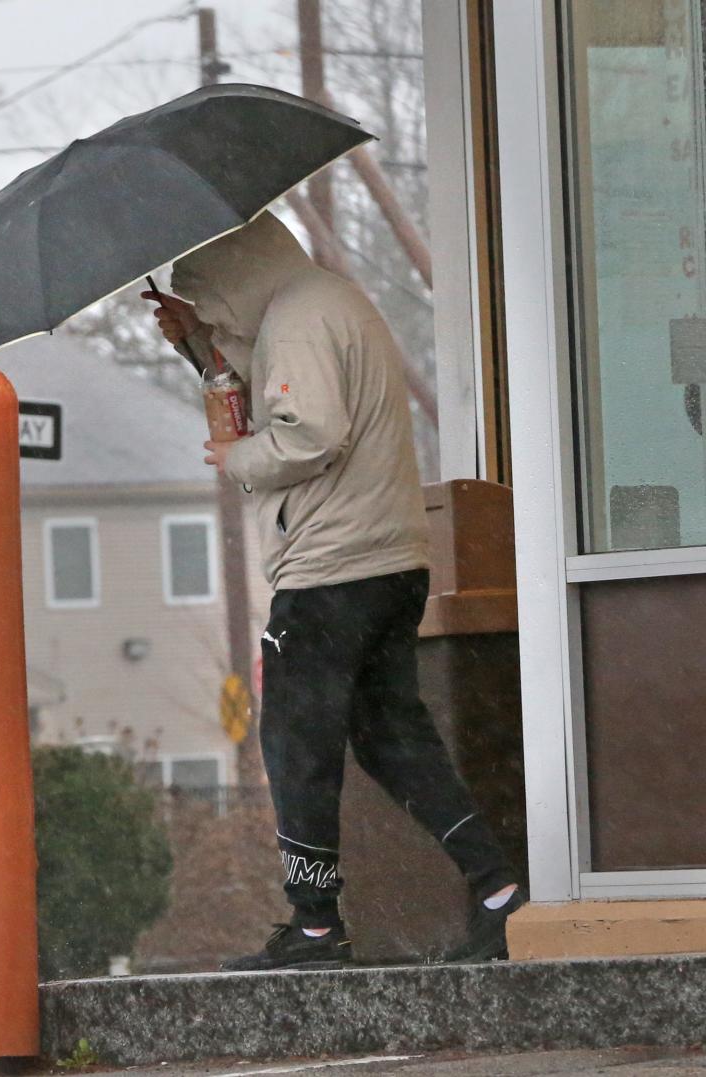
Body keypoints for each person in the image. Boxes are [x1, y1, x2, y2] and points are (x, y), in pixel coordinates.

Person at [143, 211, 525, 971]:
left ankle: (315, 925)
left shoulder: (299, 318)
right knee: (391, 736)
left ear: (232, 272)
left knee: (296, 742)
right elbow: (256, 384)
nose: (215, 312)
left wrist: (238, 456)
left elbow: (310, 430)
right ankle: (499, 889)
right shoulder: (319, 302)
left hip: (330, 569)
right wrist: (194, 340)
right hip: (387, 560)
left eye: (211, 297)